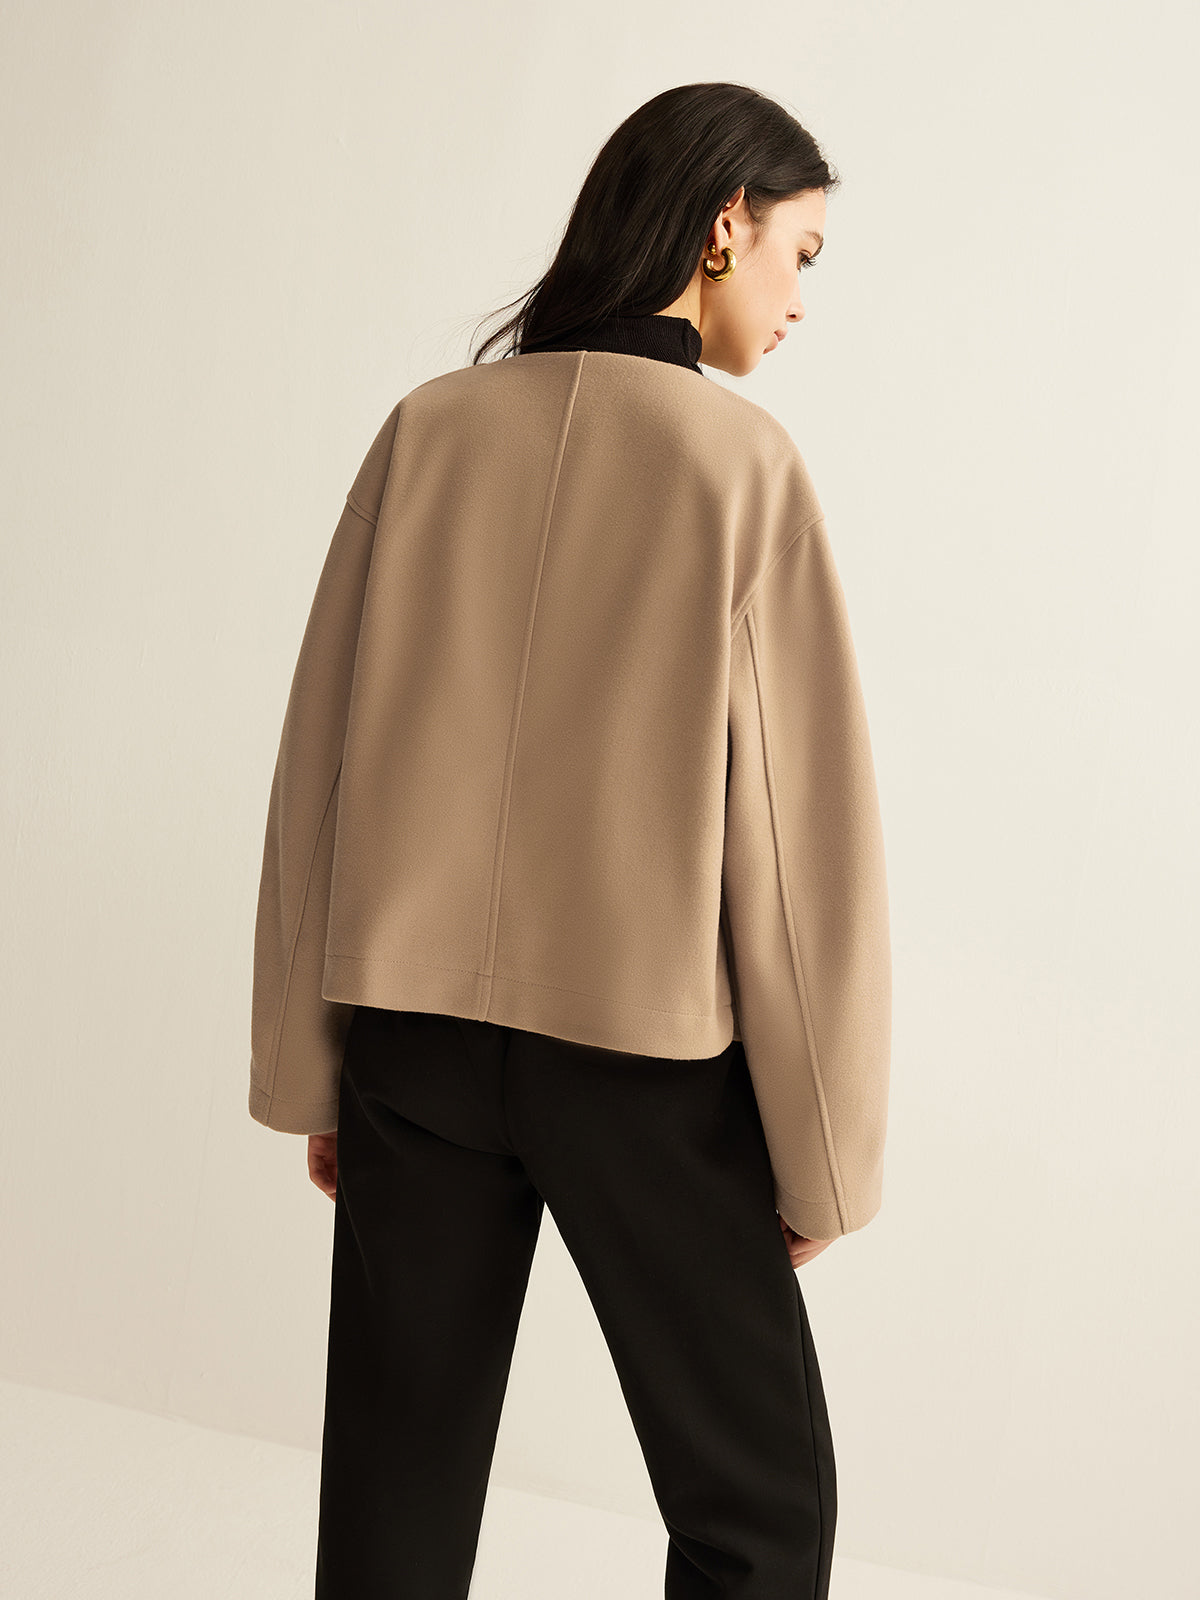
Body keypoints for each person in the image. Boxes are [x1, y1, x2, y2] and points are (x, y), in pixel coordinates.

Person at [249, 81, 891, 1600]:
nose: (802, 299)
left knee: (392, 1507)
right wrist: (824, 1159)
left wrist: (312, 1064)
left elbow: (318, 770)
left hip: (410, 1049)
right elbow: (799, 855)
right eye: (801, 253)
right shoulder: (738, 467)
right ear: (724, 226)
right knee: (759, 1510)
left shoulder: (430, 430)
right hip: (638, 1073)